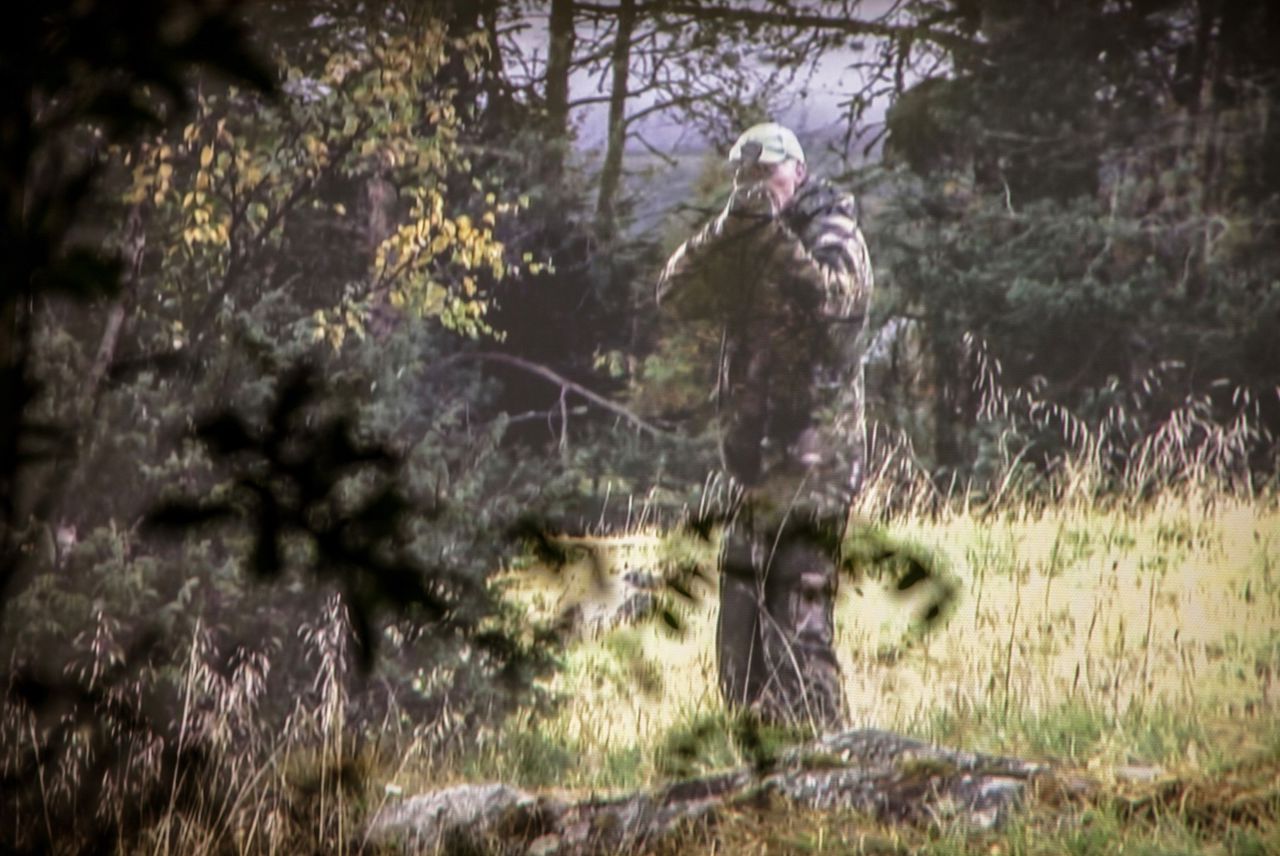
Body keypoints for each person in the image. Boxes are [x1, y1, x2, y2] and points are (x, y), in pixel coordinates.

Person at [655, 122, 874, 729]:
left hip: (816, 458)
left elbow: (838, 310)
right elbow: (673, 295)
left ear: (797, 172)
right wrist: (728, 230)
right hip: (756, 465)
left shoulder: (832, 230)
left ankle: (829, 758)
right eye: (746, 176)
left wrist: (772, 239)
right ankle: (758, 757)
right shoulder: (744, 240)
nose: (759, 185)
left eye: (769, 173)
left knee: (797, 620)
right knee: (741, 622)